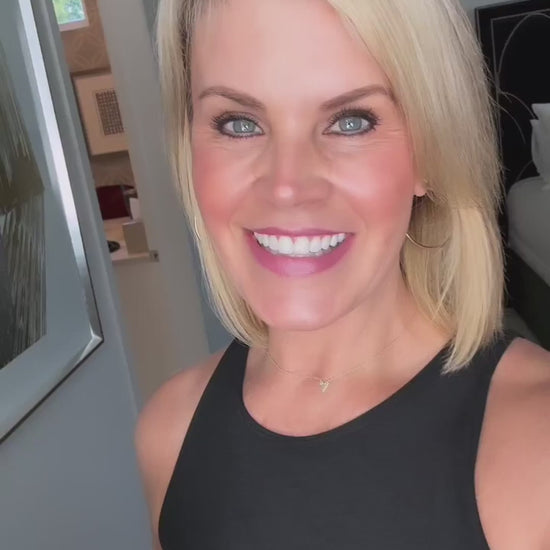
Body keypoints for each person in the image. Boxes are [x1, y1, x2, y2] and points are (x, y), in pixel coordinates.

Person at [135, 0, 550, 548]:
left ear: (430, 150)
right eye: (239, 123)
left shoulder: (536, 448)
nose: (287, 187)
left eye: (351, 122)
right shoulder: (168, 430)